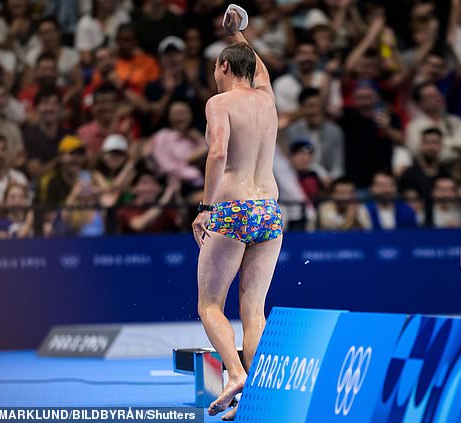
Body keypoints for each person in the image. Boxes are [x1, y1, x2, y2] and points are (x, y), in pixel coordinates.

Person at [190, 7, 283, 421]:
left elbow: (219, 152)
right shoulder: (268, 100)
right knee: (254, 310)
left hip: (231, 210)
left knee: (210, 304)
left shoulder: (219, 102)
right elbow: (258, 70)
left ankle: (234, 374)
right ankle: (254, 391)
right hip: (270, 211)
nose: (214, 72)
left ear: (224, 66)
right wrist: (240, 33)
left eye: (216, 66)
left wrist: (207, 208)